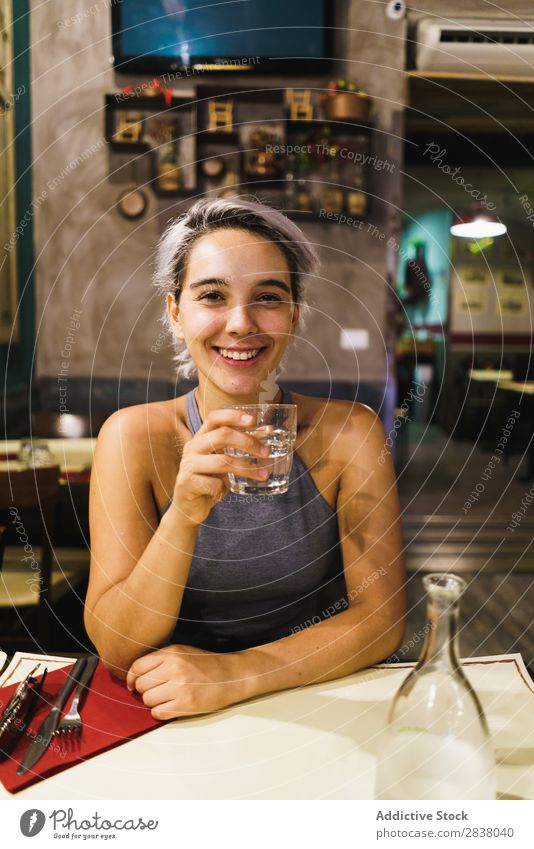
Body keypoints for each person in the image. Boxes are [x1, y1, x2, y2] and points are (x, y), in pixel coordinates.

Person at [84, 198, 406, 720]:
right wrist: (184, 514)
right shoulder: (130, 438)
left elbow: (382, 620)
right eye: (212, 295)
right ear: (175, 312)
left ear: (294, 317)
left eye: (268, 297)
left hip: (310, 697)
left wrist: (236, 675)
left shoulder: (351, 434)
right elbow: (117, 647)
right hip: (167, 710)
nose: (240, 323)